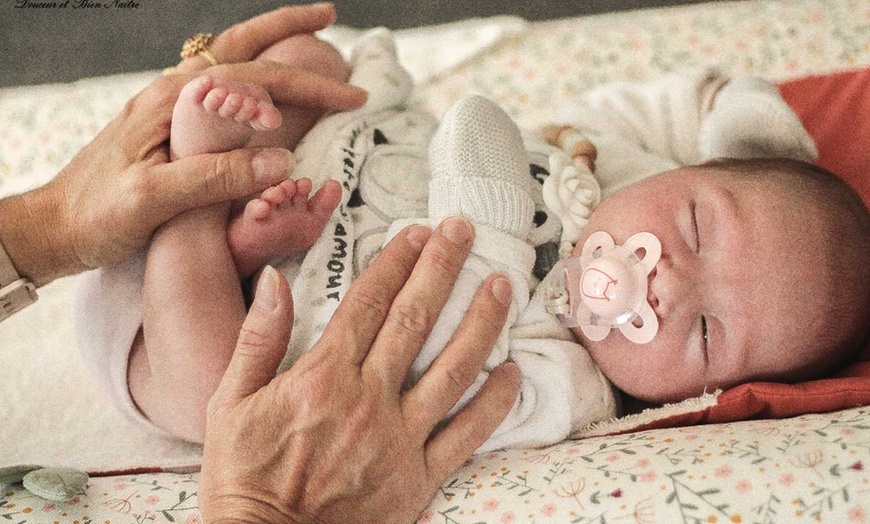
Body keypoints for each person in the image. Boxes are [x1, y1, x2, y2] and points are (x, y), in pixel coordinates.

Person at [77, 23, 870, 456]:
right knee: (316, 64)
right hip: (327, 165)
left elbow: (438, 404)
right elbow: (701, 96)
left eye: (704, 331)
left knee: (210, 399)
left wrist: (489, 232)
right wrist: (760, 140)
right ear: (695, 169)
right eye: (695, 226)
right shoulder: (631, 160)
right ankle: (224, 191)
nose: (667, 284)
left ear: (700, 394)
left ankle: (193, 208)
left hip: (223, 324)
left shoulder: (567, 388)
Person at [2, 4, 523, 524]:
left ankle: (205, 202)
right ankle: (204, 208)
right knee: (218, 393)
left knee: (305, 61)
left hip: (144, 298)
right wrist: (259, 509)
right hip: (180, 330)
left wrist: (40, 229)